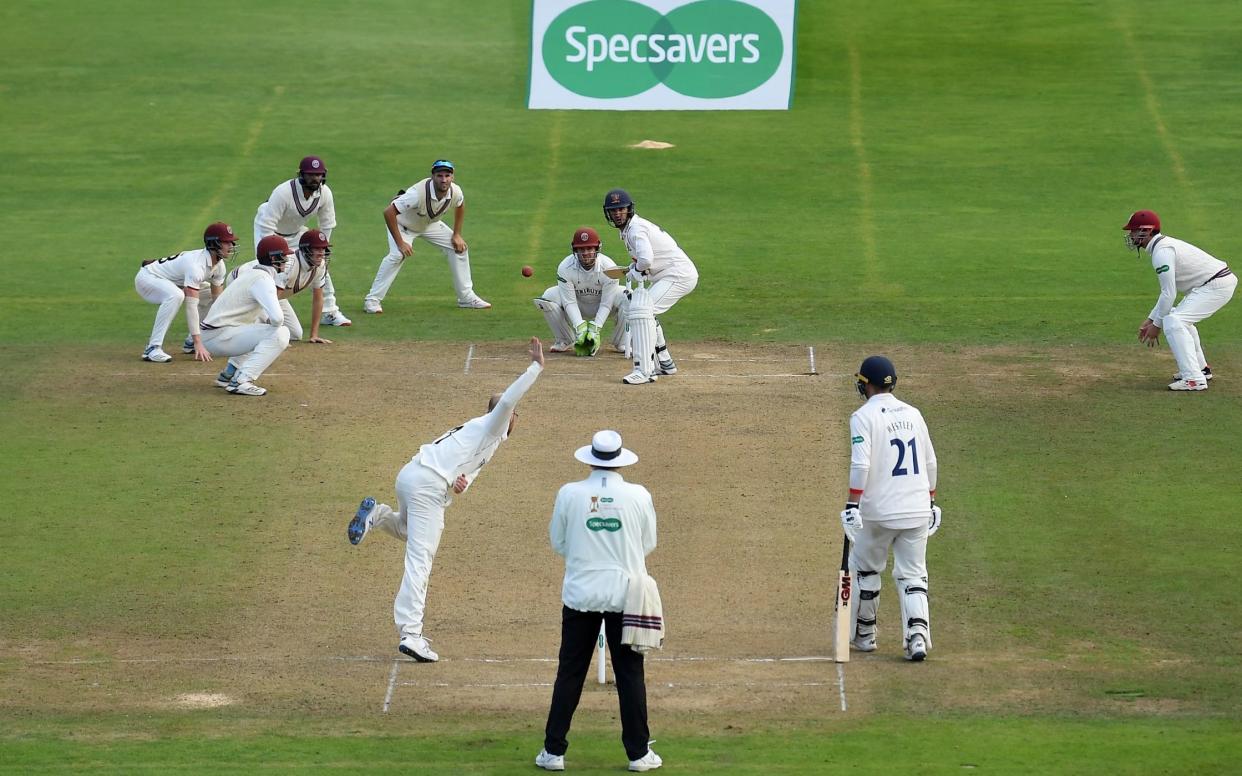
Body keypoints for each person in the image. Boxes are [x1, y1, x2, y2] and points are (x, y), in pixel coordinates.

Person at [347, 337, 545, 662]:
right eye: (512, 415)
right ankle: (411, 634)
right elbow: (508, 400)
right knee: (420, 560)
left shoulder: (483, 438)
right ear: (503, 416)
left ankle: (377, 516)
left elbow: (464, 471)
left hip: (412, 475)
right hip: (427, 487)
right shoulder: (493, 424)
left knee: (409, 532)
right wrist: (535, 368)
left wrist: (461, 483)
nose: (515, 418)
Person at [535, 430, 661, 773]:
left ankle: (553, 751)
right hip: (625, 594)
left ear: (590, 459)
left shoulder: (569, 494)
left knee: (570, 673)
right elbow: (648, 542)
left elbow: (558, 542)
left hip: (581, 594)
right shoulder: (638, 495)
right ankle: (638, 755)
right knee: (631, 674)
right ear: (620, 461)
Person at [840, 356, 940, 662]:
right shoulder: (914, 413)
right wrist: (932, 501)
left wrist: (852, 505)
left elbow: (860, 465)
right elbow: (931, 462)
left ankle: (865, 635)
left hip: (879, 511)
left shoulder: (863, 416)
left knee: (867, 569)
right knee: (914, 575)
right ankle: (918, 637)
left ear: (865, 384)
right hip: (917, 509)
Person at [1123, 210, 1236, 391]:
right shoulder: (1161, 247)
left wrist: (1157, 325)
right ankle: (1200, 369)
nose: (1131, 235)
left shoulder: (1162, 253)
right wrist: (1151, 319)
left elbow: (1169, 293)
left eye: (1134, 231)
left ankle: (1193, 379)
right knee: (1177, 317)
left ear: (1147, 230)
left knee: (1174, 321)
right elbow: (1167, 294)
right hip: (1211, 285)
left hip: (1216, 285)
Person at [362, 159, 491, 313]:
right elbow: (389, 212)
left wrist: (457, 234)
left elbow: (460, 205)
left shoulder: (456, 191)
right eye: (439, 175)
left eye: (447, 175)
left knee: (459, 248)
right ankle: (372, 301)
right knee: (397, 255)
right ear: (432, 176)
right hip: (402, 225)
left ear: (452, 177)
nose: (444, 179)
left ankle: (466, 298)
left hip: (429, 224)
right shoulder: (417, 194)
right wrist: (401, 243)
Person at [602, 189, 699, 385]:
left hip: (678, 275)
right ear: (608, 213)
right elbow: (645, 261)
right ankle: (665, 362)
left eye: (621, 209)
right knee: (641, 309)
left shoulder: (636, 229)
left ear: (629, 210)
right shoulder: (630, 230)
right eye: (614, 210)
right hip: (669, 274)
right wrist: (635, 268)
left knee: (642, 311)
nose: (618, 213)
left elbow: (646, 260)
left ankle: (644, 371)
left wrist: (638, 269)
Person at [254, 155, 351, 327]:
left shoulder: (325, 194)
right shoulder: (283, 192)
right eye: (311, 174)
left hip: (297, 233)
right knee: (268, 272)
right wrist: (275, 252)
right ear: (301, 175)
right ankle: (260, 316)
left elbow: (327, 224)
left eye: (319, 174)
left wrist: (320, 250)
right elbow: (266, 225)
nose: (315, 178)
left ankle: (330, 312)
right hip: (270, 232)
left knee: (321, 266)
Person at [198, 236, 295, 396]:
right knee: (281, 333)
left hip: (215, 334)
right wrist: (271, 329)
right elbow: (278, 319)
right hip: (218, 337)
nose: (286, 259)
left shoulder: (253, 274)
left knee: (262, 330)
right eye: (283, 255)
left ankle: (228, 375)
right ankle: (241, 381)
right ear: (273, 258)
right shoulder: (263, 279)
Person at [134, 222, 239, 363]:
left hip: (174, 282)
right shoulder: (196, 266)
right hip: (148, 278)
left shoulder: (219, 266)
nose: (231, 246)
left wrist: (229, 329)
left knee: (210, 296)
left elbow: (218, 302)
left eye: (231, 242)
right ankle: (153, 348)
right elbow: (191, 306)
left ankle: (190, 341)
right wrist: (199, 342)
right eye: (227, 242)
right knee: (176, 296)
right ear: (214, 244)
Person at [219, 229, 334, 347]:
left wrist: (313, 335)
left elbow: (318, 299)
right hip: (242, 281)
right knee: (256, 327)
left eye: (324, 248)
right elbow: (269, 298)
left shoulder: (320, 266)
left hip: (273, 293)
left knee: (295, 334)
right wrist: (274, 334)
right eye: (317, 249)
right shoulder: (289, 264)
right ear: (306, 250)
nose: (322, 253)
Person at [533, 226, 626, 355]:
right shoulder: (565, 267)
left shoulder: (609, 267)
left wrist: (595, 329)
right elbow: (569, 302)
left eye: (589, 248)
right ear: (575, 250)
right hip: (578, 304)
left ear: (597, 248)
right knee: (548, 297)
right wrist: (580, 328)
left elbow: (606, 303)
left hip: (603, 305)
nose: (586, 253)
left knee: (629, 297)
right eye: (581, 249)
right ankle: (565, 339)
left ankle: (621, 341)